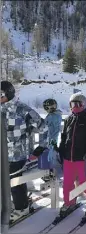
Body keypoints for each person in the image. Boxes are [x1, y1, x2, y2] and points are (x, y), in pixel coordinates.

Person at [1, 81, 48, 222]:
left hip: (17, 154)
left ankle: (22, 208)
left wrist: (40, 149)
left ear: (9, 94)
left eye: (1, 94)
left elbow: (43, 127)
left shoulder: (23, 109)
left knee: (15, 182)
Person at [58, 93, 86, 217]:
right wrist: (60, 153)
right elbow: (63, 138)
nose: (76, 106)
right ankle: (69, 202)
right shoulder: (68, 119)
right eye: (73, 104)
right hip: (68, 158)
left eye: (79, 104)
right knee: (67, 182)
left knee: (85, 183)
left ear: (84, 105)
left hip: (83, 158)